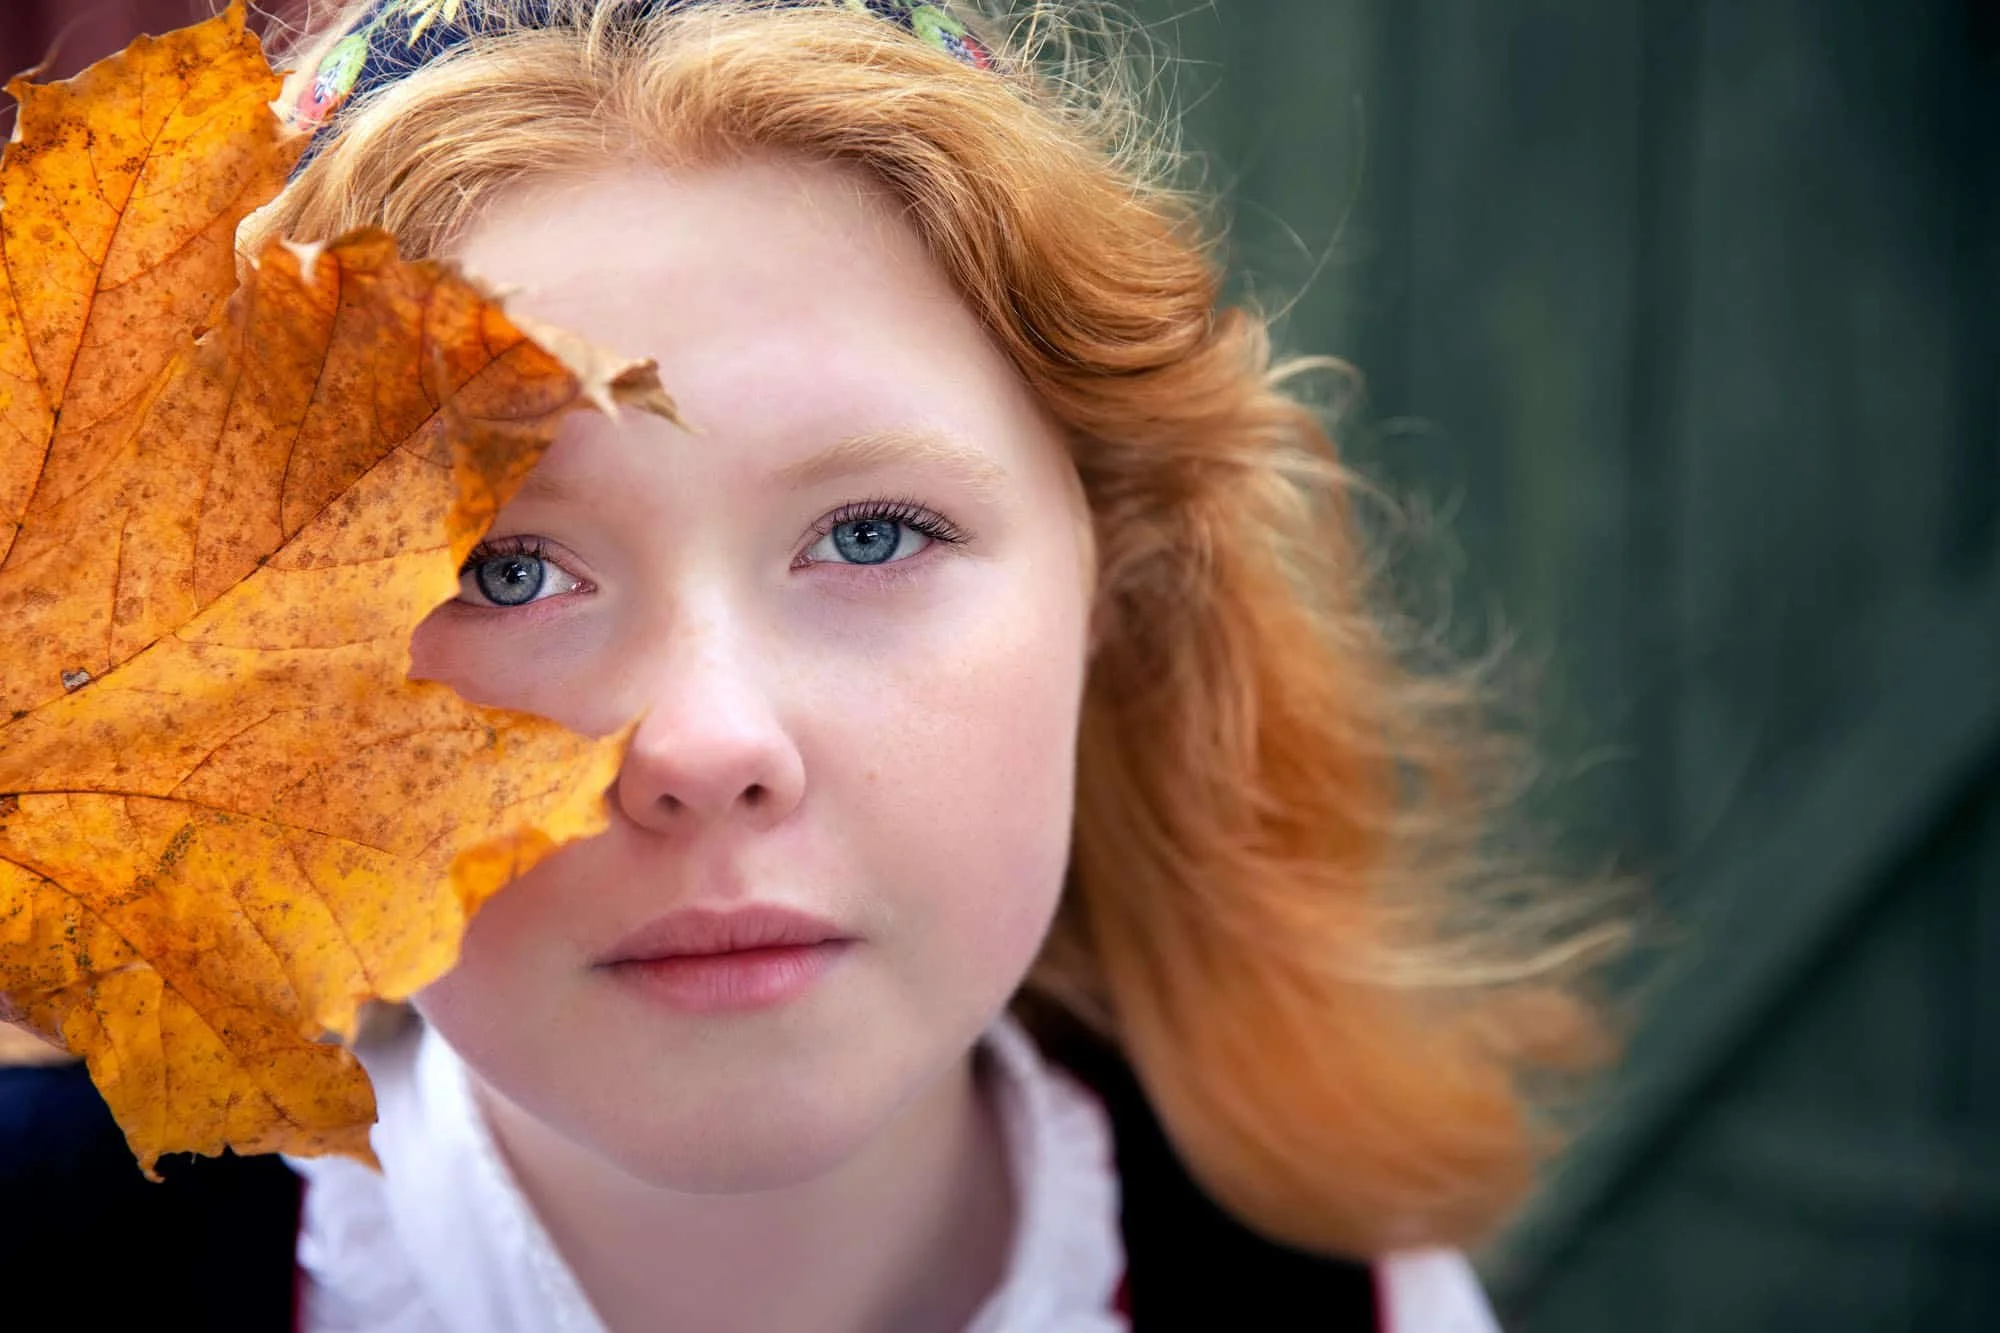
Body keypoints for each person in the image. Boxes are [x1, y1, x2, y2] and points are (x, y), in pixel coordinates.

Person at [0, 2, 1621, 1328]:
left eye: (870, 535)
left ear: (1115, 576)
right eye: (502, 568)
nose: (706, 740)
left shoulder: (1338, 1296)